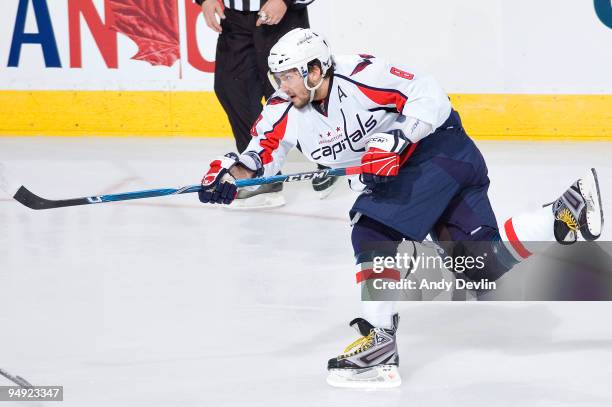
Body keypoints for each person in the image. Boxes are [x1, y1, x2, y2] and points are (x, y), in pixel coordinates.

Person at [196, 28, 604, 387]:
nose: (282, 86)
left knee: (370, 228)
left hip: (438, 152)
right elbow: (260, 155)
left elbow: (430, 94)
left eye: (288, 77)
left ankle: (380, 344)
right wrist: (231, 176)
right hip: (433, 169)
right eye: (277, 78)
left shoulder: (362, 75)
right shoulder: (283, 109)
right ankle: (567, 210)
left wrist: (400, 139)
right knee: (481, 268)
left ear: (315, 70)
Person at [196, 0, 337, 208]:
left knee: (295, 91)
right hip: (234, 19)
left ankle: (331, 157)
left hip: (283, 16)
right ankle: (262, 175)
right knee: (233, 90)